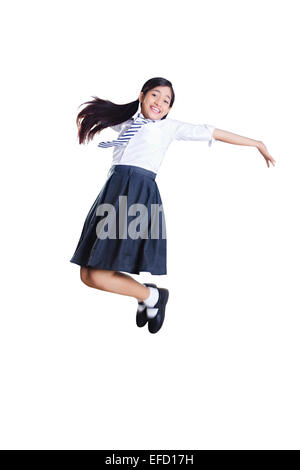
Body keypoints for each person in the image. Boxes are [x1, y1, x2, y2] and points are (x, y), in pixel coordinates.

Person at [70, 76, 276, 334]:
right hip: (112, 194)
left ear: (169, 109)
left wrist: (256, 143)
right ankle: (150, 296)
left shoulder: (169, 128)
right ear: (142, 95)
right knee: (88, 275)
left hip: (137, 196)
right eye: (155, 95)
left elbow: (212, 131)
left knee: (97, 273)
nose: (159, 103)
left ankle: (152, 297)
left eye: (166, 100)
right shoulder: (125, 123)